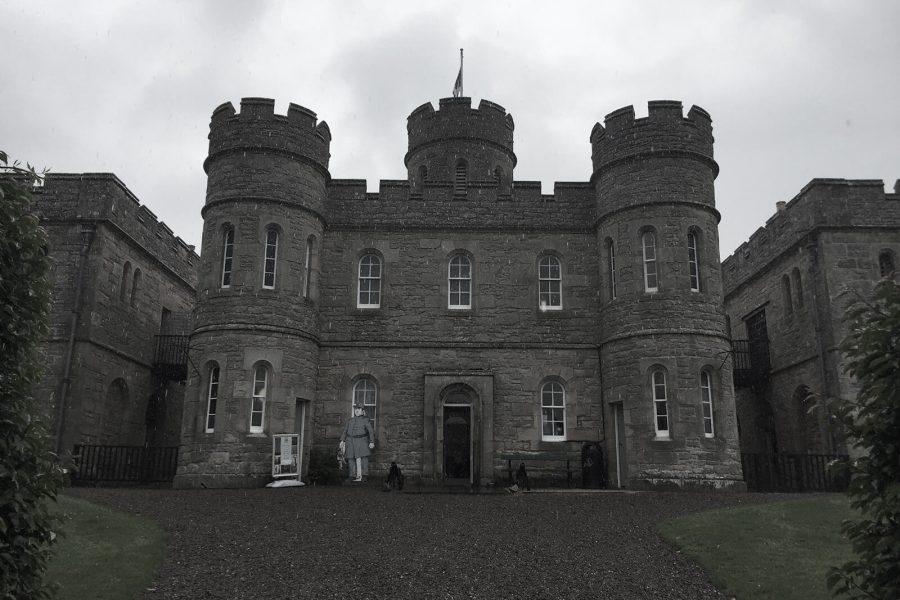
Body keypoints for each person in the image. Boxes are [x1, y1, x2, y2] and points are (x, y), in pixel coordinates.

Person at [339, 402, 375, 482]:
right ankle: (352, 475)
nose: (357, 411)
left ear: (363, 411)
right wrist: (342, 440)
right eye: (356, 409)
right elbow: (345, 431)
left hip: (362, 441)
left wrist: (372, 441)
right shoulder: (350, 420)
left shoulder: (366, 420)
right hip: (350, 441)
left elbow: (371, 431)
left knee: (364, 458)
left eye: (359, 409)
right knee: (350, 458)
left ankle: (364, 475)